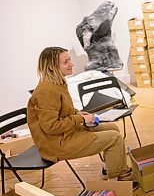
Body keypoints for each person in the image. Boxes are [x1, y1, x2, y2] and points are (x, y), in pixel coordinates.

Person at [27, 47, 133, 181]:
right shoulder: (46, 92)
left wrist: (77, 113)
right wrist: (80, 119)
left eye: (69, 59)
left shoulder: (58, 83)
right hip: (56, 144)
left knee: (113, 128)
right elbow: (51, 126)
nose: (71, 64)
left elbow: (62, 111)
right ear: (51, 67)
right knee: (114, 138)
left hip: (66, 133)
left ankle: (110, 169)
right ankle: (120, 176)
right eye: (66, 62)